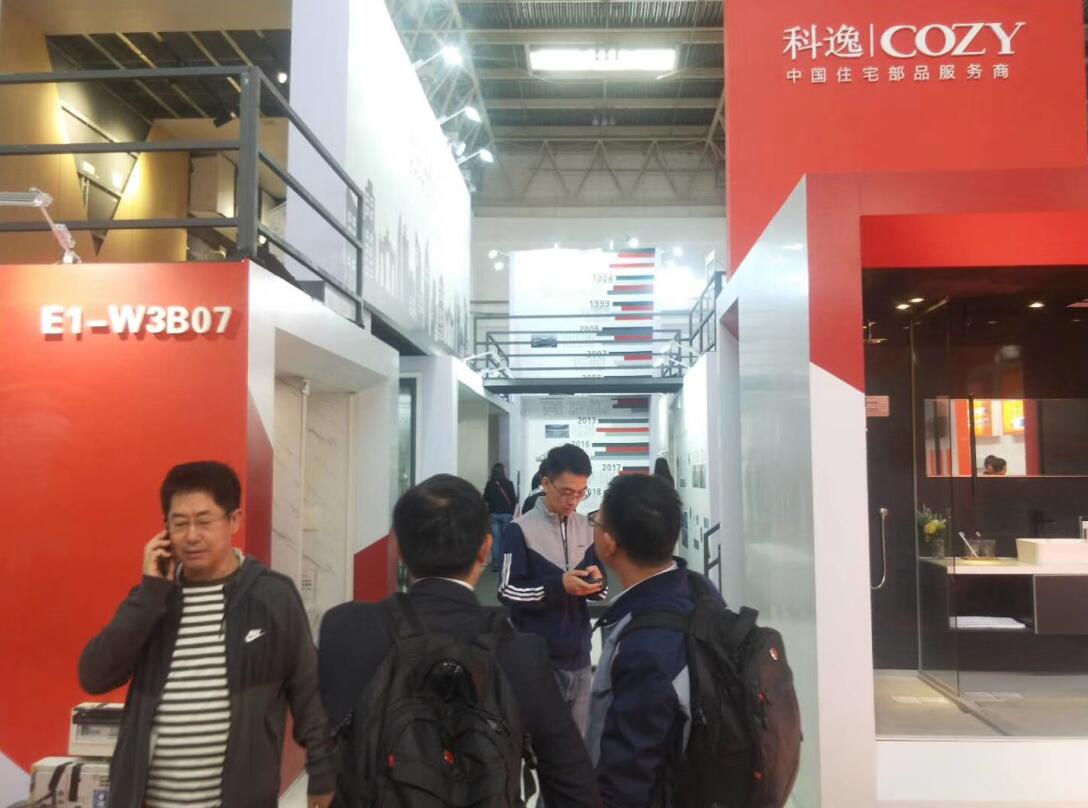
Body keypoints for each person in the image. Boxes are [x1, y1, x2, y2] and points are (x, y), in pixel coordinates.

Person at [318, 474, 599, 808]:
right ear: (486, 548)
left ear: (399, 549)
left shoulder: (345, 630)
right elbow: (573, 786)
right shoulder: (521, 654)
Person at [78, 461, 335, 808]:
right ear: (164, 530)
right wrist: (150, 594)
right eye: (179, 523)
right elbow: (94, 676)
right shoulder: (153, 601)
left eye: (204, 521)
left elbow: (307, 689)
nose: (191, 535)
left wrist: (322, 770)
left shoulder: (272, 596)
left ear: (234, 521)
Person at [586, 473, 718, 808]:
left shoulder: (646, 645)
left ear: (608, 543)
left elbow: (628, 778)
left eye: (596, 520)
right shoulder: (698, 588)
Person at [498, 444, 607, 736]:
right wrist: (559, 585)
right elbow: (507, 591)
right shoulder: (519, 530)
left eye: (581, 492)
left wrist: (598, 584)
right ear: (545, 483)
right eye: (566, 492)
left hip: (580, 659)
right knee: (541, 744)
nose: (574, 500)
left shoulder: (587, 527)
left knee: (578, 746)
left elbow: (601, 591)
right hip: (538, 660)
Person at [483, 462, 518, 572]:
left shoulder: (490, 484)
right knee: (505, 539)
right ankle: (505, 563)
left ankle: (496, 563)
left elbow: (485, 498)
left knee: (496, 540)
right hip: (507, 514)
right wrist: (511, 512)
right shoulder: (509, 483)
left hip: (494, 514)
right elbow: (513, 499)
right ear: (503, 471)